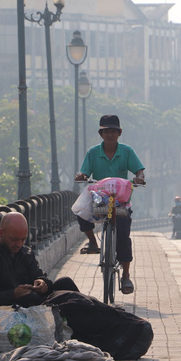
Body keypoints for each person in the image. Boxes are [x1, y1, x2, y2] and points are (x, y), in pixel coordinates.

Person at [75, 114, 145, 295]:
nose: (110, 135)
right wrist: (81, 176)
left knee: (123, 235)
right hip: (99, 197)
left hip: (120, 200)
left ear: (119, 133)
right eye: (106, 131)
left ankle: (126, 276)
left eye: (113, 131)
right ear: (101, 134)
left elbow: (139, 169)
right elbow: (84, 171)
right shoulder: (93, 152)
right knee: (79, 211)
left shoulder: (127, 151)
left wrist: (139, 178)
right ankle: (92, 242)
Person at [0, 212, 80, 307]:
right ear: (1, 233)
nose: (19, 244)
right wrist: (13, 294)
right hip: (17, 307)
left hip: (39, 301)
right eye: (14, 239)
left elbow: (40, 276)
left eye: (23, 239)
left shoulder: (25, 252)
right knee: (30, 297)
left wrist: (42, 283)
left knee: (65, 282)